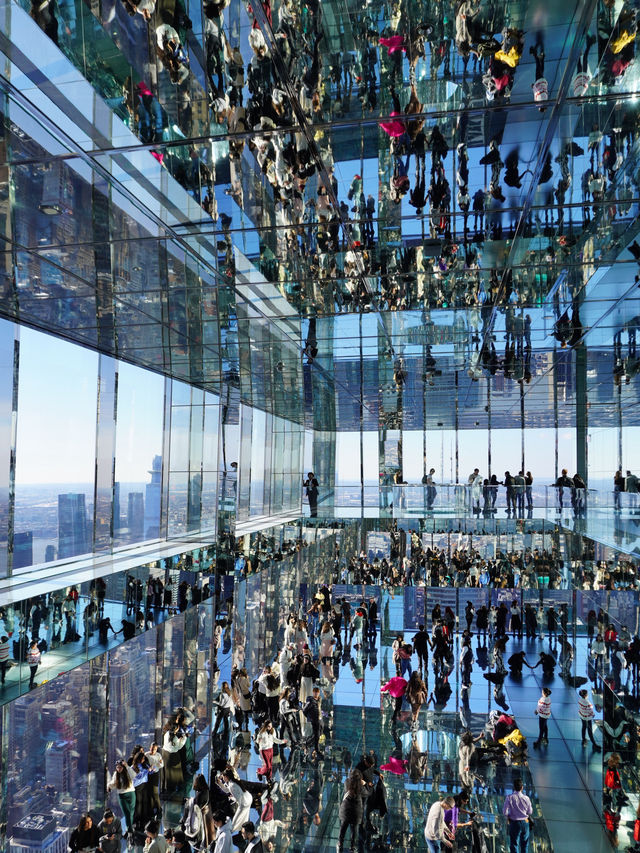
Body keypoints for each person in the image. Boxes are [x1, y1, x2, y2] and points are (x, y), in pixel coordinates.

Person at [107, 759, 136, 840]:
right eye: (117, 767)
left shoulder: (128, 771)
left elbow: (134, 775)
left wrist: (127, 766)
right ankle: (130, 831)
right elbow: (113, 783)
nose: (119, 769)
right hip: (122, 796)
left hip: (131, 794)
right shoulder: (116, 774)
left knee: (131, 813)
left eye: (120, 767)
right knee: (127, 813)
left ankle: (129, 829)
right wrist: (108, 786)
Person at [338, 768, 364, 853]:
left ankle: (340, 844)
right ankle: (352, 847)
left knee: (343, 827)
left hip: (346, 809)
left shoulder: (347, 782)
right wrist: (364, 784)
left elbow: (346, 790)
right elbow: (367, 793)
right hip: (356, 812)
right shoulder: (361, 786)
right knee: (354, 829)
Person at [502, 778, 532, 853]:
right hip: (525, 822)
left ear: (514, 787)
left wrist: (509, 815)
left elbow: (504, 812)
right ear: (522, 788)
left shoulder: (509, 797)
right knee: (525, 844)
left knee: (514, 844)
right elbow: (530, 812)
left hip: (514, 822)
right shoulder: (526, 798)